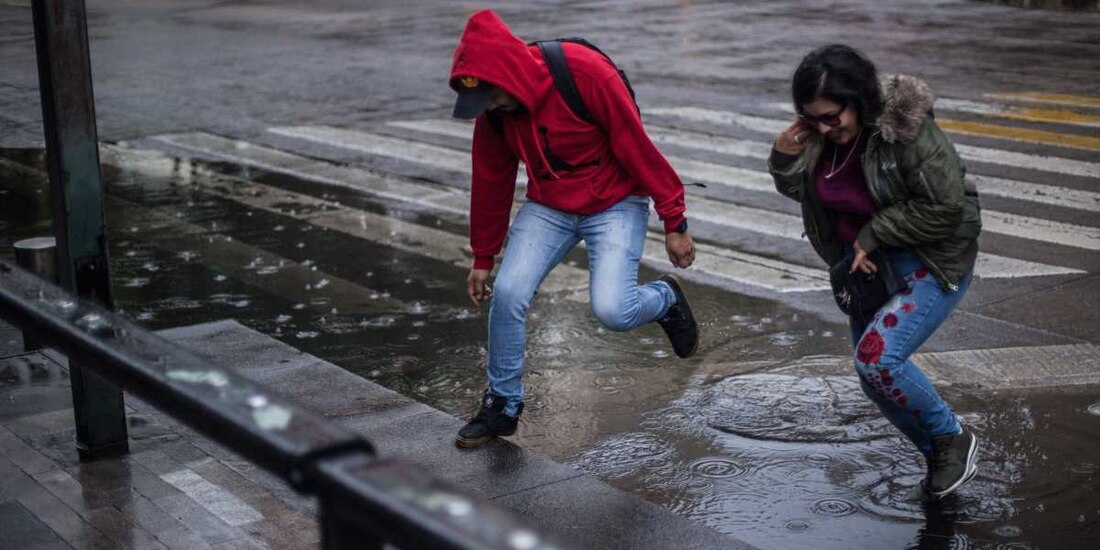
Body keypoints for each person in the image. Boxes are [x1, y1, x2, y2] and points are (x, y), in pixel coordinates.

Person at [447, 10, 699, 449]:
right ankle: (502, 405)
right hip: (551, 204)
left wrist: (674, 220)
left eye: (490, 97)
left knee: (614, 310)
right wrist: (483, 258)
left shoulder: (584, 73)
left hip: (616, 200)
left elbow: (635, 144)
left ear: (507, 75)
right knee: (507, 294)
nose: (487, 109)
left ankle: (666, 299)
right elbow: (490, 180)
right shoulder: (494, 115)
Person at [768, 44, 982, 498]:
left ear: (858, 100)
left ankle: (951, 438)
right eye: (813, 118)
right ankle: (942, 455)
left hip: (928, 259)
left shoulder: (907, 130)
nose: (826, 127)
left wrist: (873, 233)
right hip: (866, 272)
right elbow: (806, 193)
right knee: (875, 381)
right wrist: (783, 157)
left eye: (832, 116)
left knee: (878, 362)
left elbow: (947, 207)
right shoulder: (820, 135)